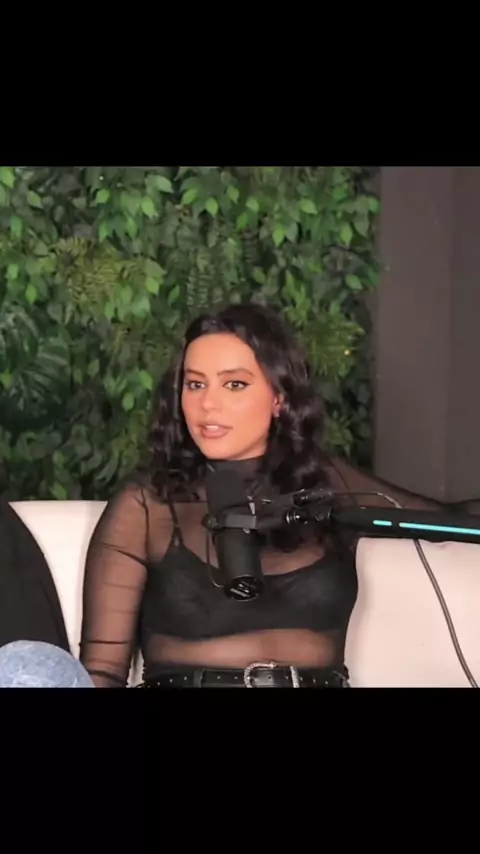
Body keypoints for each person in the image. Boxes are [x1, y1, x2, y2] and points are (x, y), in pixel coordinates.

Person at [79, 303, 359, 688]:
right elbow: (102, 671)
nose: (208, 404)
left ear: (279, 397)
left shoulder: (328, 483)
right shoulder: (146, 505)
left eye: (234, 384)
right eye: (195, 384)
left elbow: (440, 525)